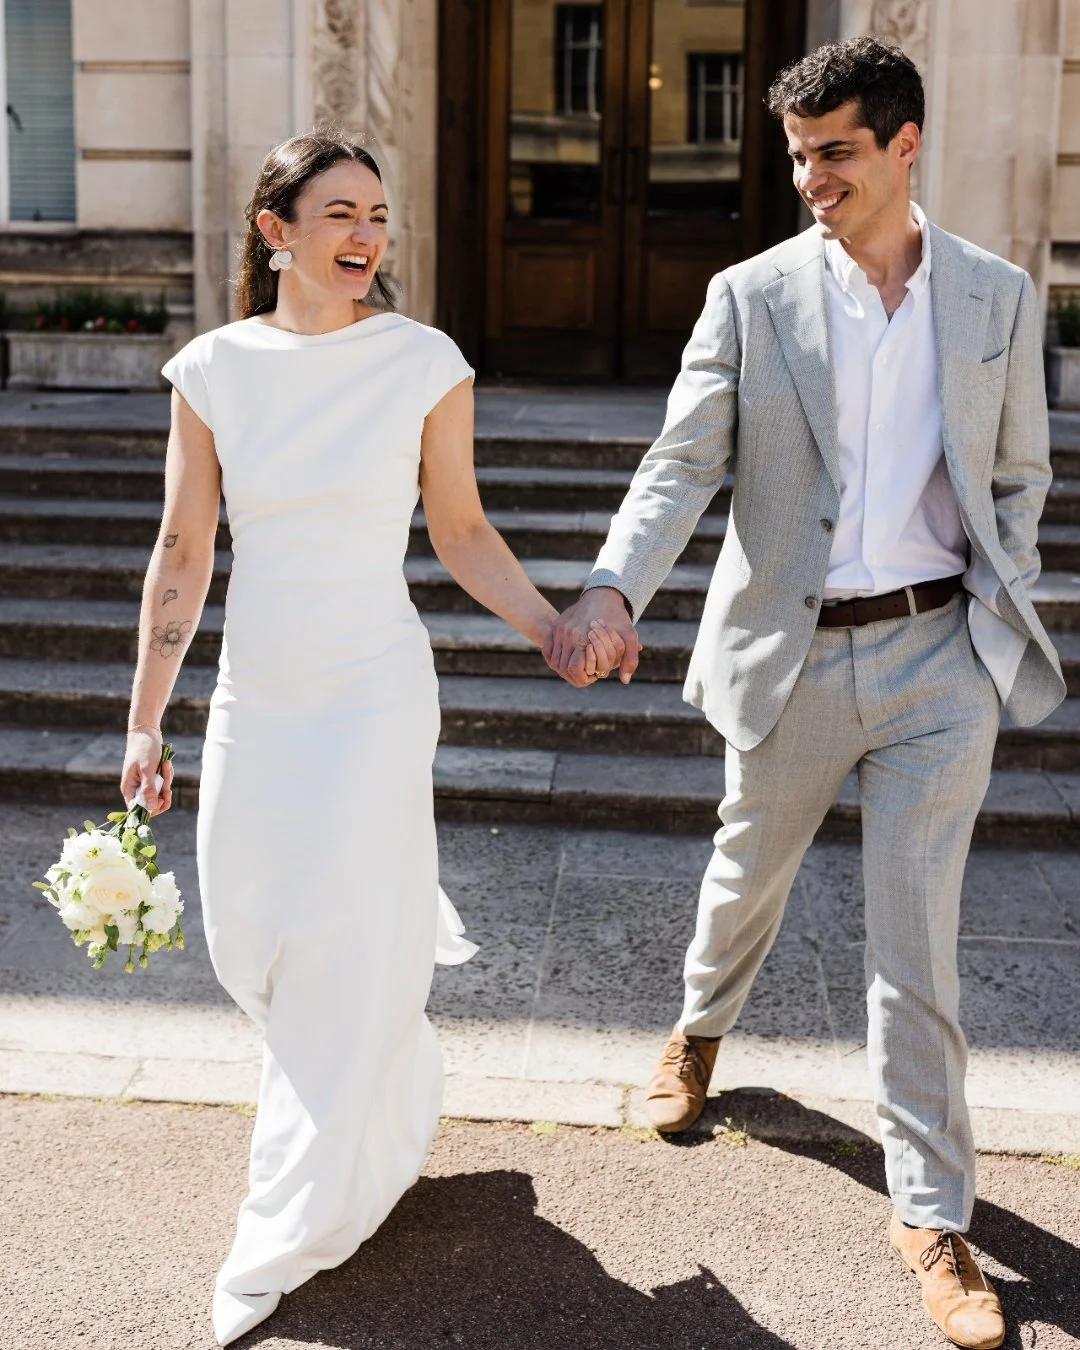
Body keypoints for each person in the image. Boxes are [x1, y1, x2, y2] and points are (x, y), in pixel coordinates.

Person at [545, 38, 1063, 1350]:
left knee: (918, 951)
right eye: (796, 157)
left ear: (904, 144)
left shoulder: (1000, 296)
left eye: (834, 152)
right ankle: (699, 1031)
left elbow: (1019, 472)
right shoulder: (752, 296)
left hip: (941, 657)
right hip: (791, 652)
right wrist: (612, 586)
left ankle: (933, 1219)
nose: (811, 180)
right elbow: (678, 466)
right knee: (744, 881)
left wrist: (1003, 588)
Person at [120, 129, 618, 1346]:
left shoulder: (423, 362)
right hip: (257, 693)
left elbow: (460, 532)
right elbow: (184, 551)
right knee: (254, 933)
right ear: (274, 229)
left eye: (380, 217)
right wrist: (144, 720)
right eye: (339, 212)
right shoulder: (214, 369)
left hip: (372, 694)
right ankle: (380, 1104)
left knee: (342, 937)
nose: (365, 237)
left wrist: (551, 624)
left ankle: (288, 1222)